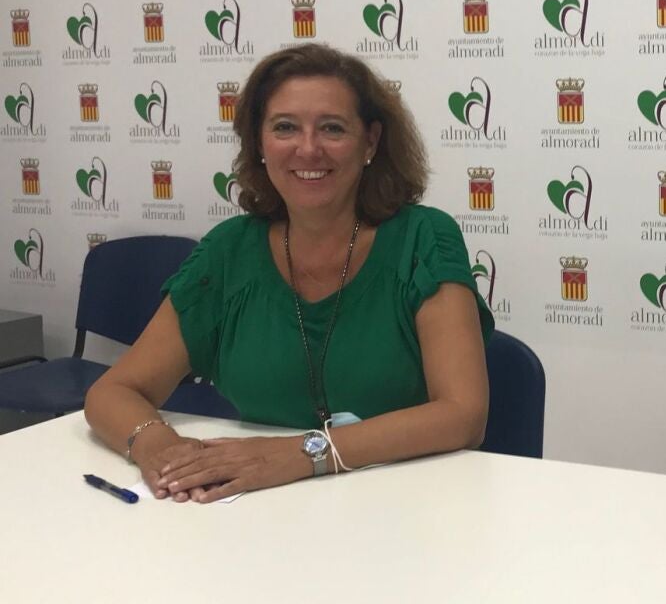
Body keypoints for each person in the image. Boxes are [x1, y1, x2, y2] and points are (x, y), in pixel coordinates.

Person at [85, 43, 493, 503]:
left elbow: (463, 415)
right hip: (264, 509)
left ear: (370, 142)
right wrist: (162, 450)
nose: (308, 148)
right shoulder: (228, 251)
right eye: (284, 127)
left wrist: (303, 454)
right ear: (259, 143)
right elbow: (113, 391)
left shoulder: (423, 238)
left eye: (332, 128)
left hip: (409, 502)